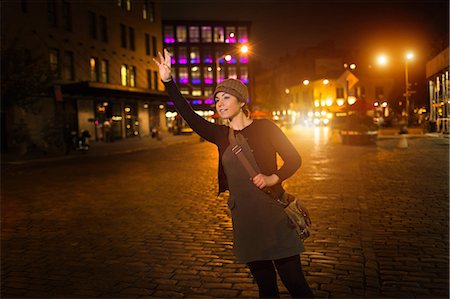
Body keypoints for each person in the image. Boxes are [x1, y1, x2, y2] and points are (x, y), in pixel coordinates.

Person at [154, 49, 314, 298]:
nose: (220, 104)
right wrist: (168, 81)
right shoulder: (220, 135)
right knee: (266, 289)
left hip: (274, 215)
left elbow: (294, 159)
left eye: (226, 98)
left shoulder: (265, 128)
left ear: (241, 102)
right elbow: (189, 115)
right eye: (217, 100)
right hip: (246, 221)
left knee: (297, 286)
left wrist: (274, 177)